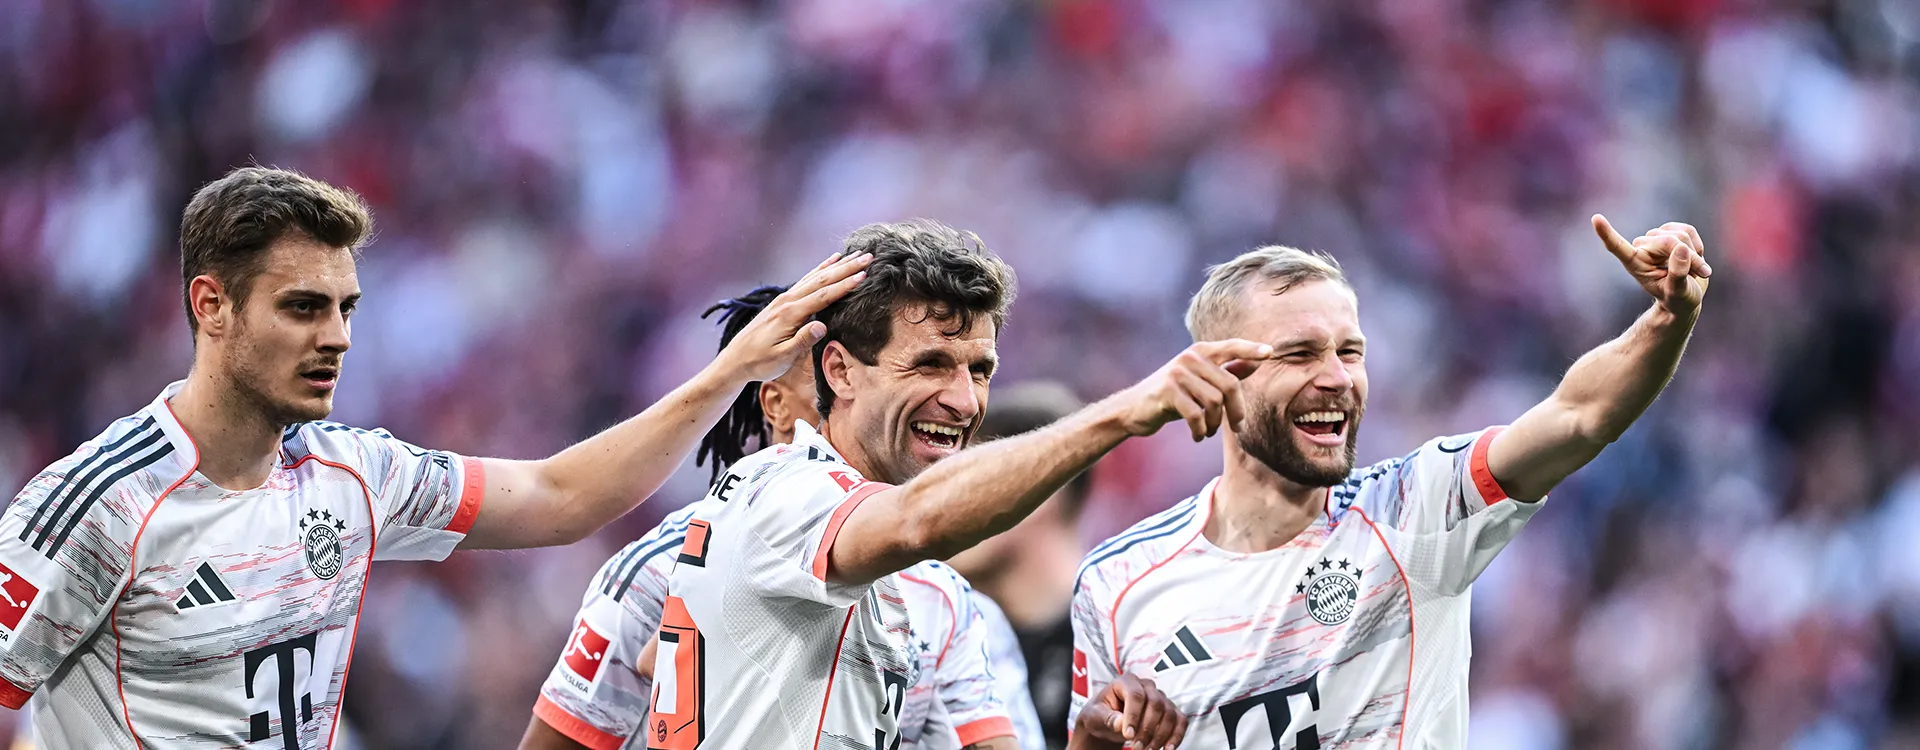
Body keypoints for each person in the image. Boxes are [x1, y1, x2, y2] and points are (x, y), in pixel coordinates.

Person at [0, 166, 868, 750]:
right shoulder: (97, 504)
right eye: (303, 308)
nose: (336, 337)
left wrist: (730, 372)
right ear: (211, 305)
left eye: (347, 308)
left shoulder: (354, 475)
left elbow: (559, 496)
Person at [1068, 217, 1713, 748]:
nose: (1338, 378)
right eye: (1300, 354)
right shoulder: (1118, 582)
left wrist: (1668, 317)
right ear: (1220, 373)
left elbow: (1579, 416)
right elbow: (1098, 736)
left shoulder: (1415, 508)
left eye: (1350, 352)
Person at [650, 218, 1273, 750]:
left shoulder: (938, 596)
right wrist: (1124, 412)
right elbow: (919, 519)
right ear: (839, 370)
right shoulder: (778, 491)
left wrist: (1090, 742)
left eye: (980, 370)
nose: (963, 399)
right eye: (930, 364)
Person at [519, 285, 1042, 750]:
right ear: (777, 402)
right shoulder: (658, 571)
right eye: (825, 385)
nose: (846, 401)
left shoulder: (944, 596)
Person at [947, 383, 1090, 750]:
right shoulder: (957, 637)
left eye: (970, 484)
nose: (942, 513)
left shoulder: (1122, 637)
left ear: (1038, 491)